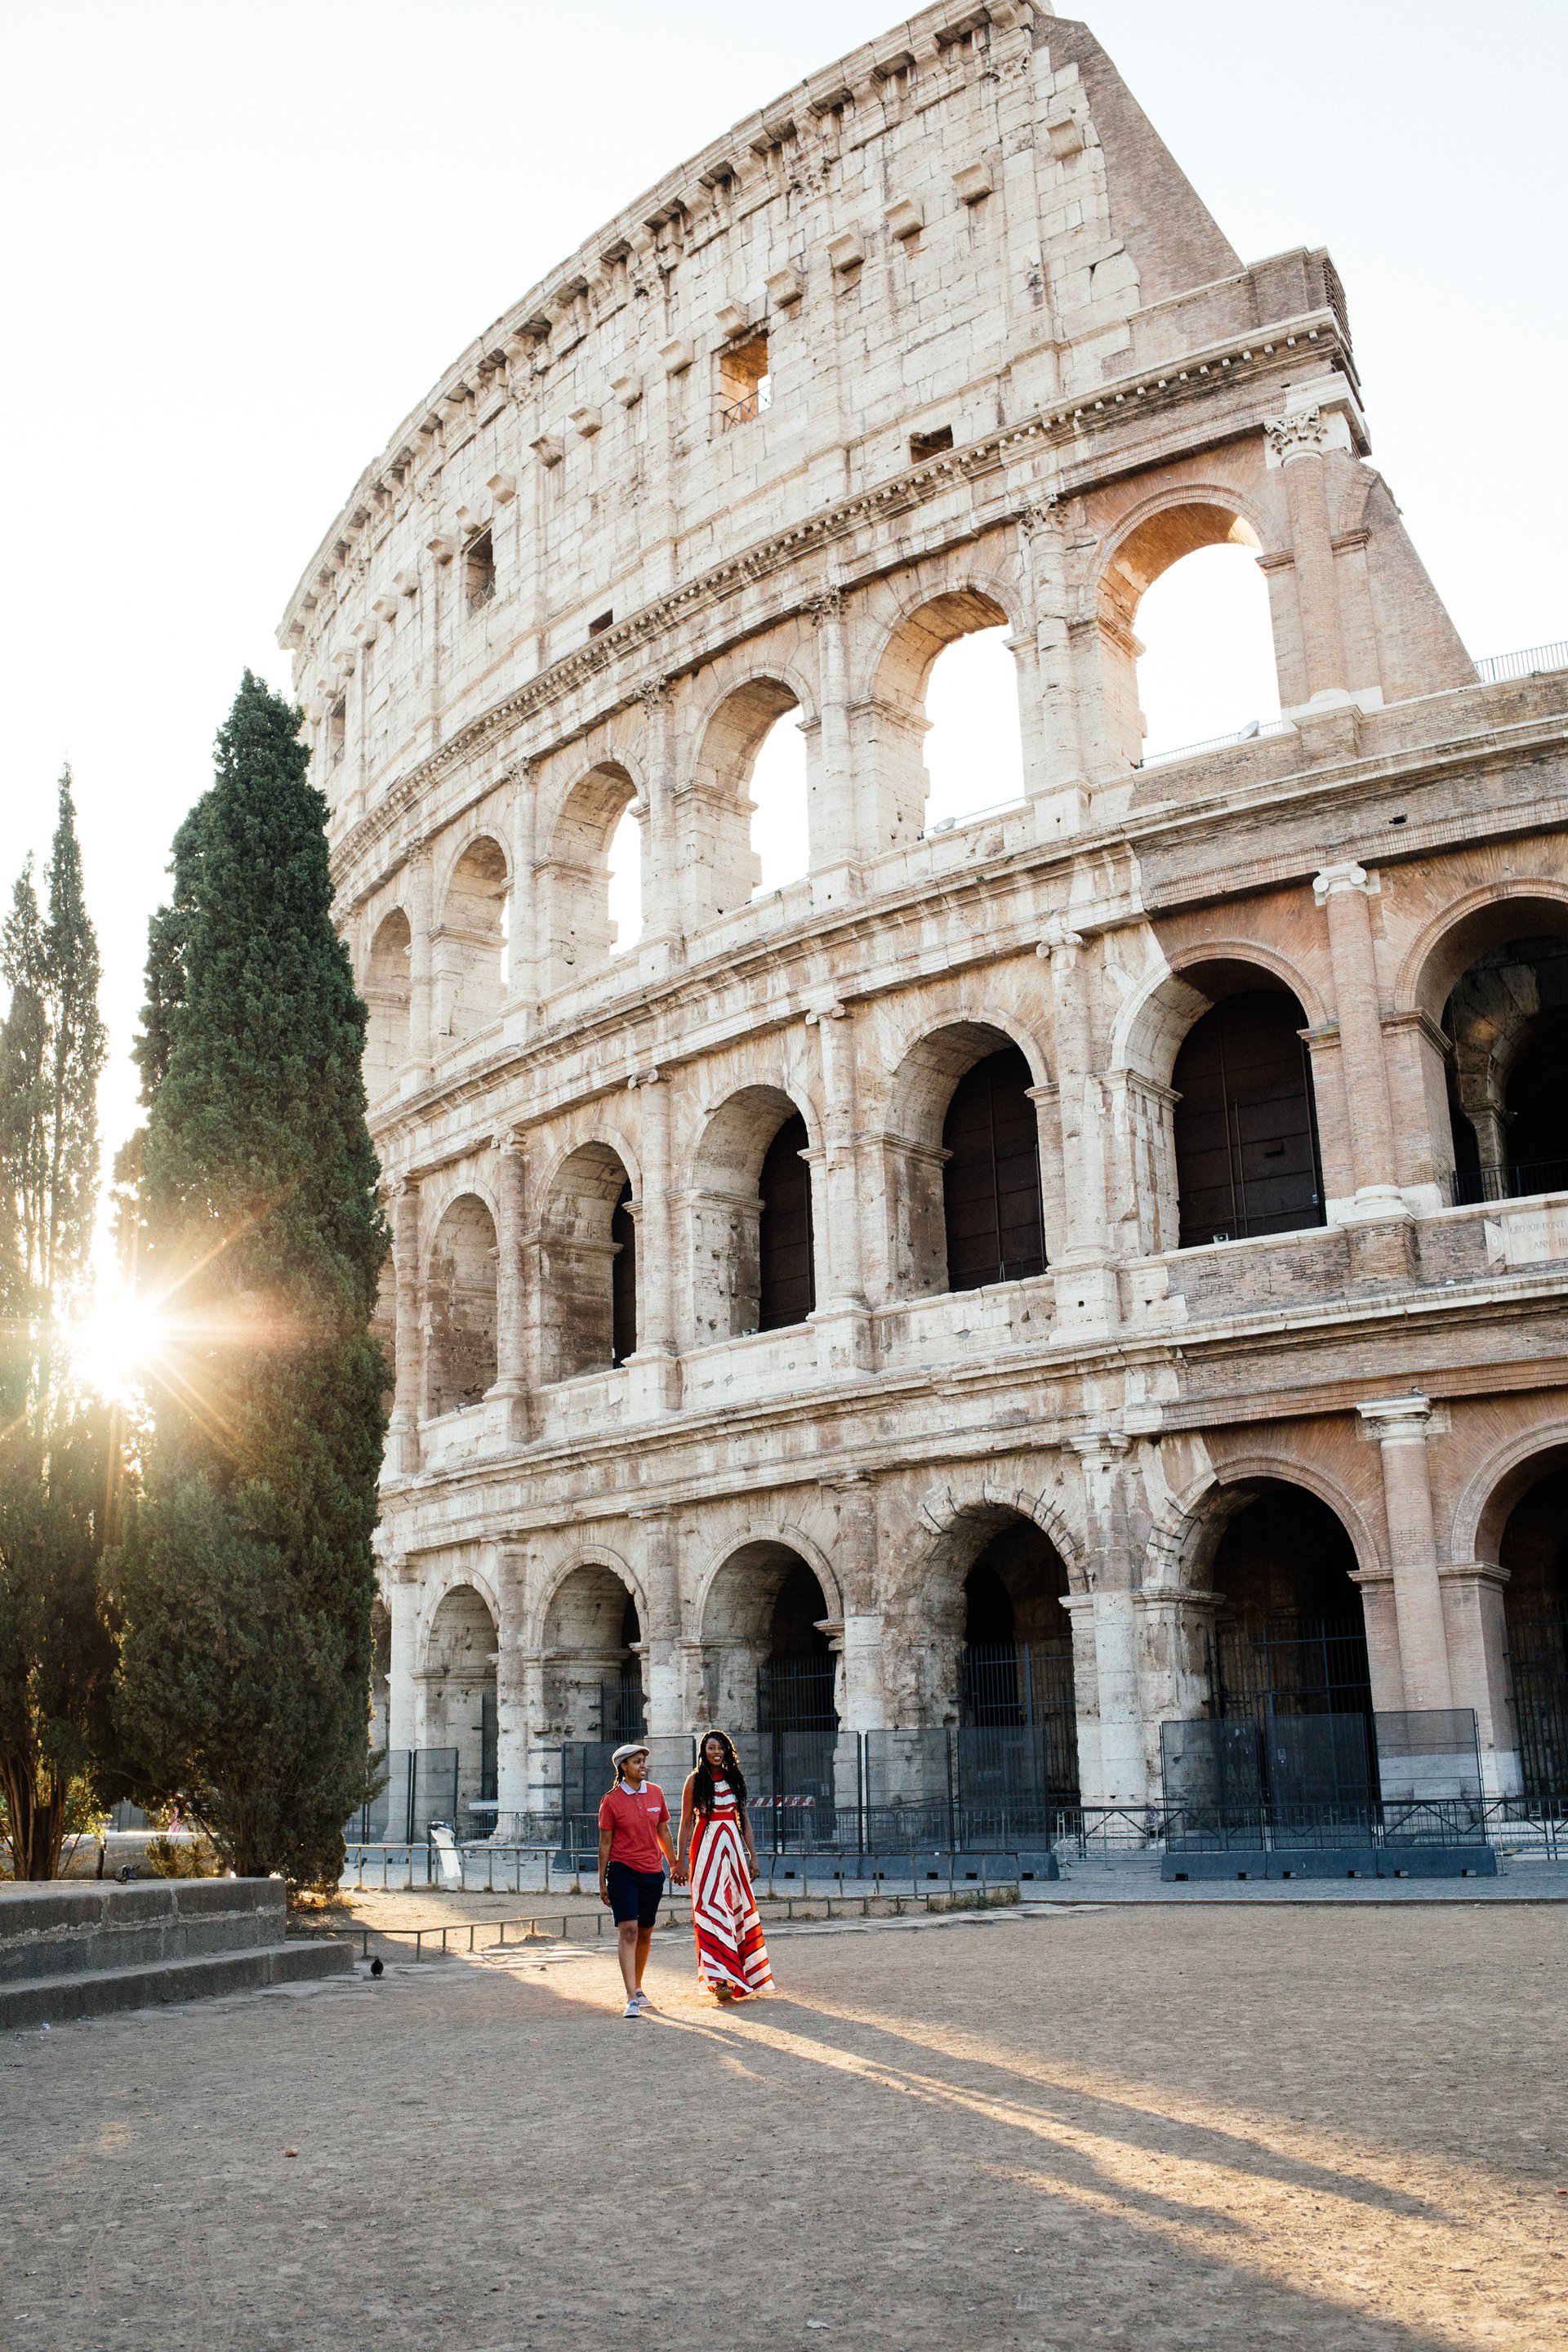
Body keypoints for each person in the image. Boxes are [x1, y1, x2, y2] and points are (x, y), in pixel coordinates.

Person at [676, 1731, 774, 2002]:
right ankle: (719, 1979)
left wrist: (753, 1855)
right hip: (705, 1846)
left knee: (736, 1906)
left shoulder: (734, 1779)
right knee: (710, 1907)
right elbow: (685, 1822)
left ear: (727, 1750)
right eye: (711, 1747)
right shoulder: (694, 1780)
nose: (716, 1752)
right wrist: (679, 1859)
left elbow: (744, 1820)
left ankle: (743, 1974)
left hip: (732, 1848)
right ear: (703, 1751)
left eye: (720, 1747)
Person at [597, 1742, 676, 2018]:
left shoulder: (656, 1793)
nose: (643, 1766)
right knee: (628, 1929)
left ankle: (639, 1986)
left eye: (644, 1761)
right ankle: (631, 1997)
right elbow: (605, 1843)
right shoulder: (611, 1800)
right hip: (622, 1871)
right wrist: (602, 1881)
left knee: (645, 1930)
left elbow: (663, 1830)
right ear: (624, 1767)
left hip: (652, 1871)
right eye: (637, 1762)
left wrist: (675, 1862)